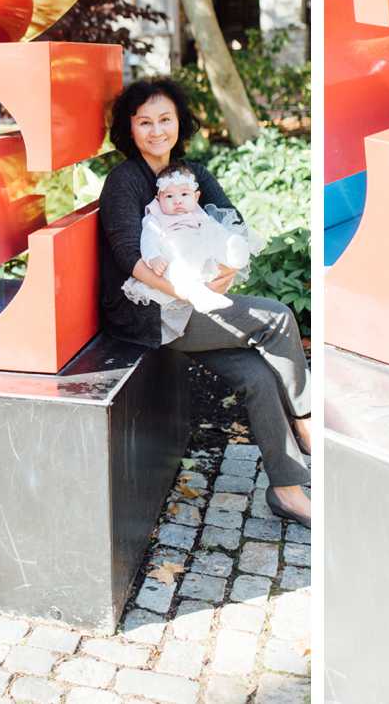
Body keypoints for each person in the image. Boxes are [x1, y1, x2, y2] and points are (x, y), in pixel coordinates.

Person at [98, 77, 312, 526]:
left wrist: (228, 268)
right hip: (150, 314)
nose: (157, 131)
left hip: (196, 306)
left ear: (180, 123)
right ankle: (307, 422)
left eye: (165, 119)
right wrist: (192, 291)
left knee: (256, 375)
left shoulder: (192, 174)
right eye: (144, 122)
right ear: (129, 129)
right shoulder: (124, 181)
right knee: (276, 319)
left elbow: (232, 223)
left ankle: (288, 491)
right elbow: (128, 257)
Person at [122, 159, 258, 315]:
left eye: (184, 194)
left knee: (216, 235)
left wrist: (224, 239)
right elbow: (148, 240)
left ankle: (233, 254)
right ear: (158, 199)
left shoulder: (197, 212)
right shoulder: (155, 218)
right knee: (179, 272)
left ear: (196, 196)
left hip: (201, 253)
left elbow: (214, 228)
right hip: (174, 256)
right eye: (169, 196)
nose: (178, 201)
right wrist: (153, 257)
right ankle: (199, 296)